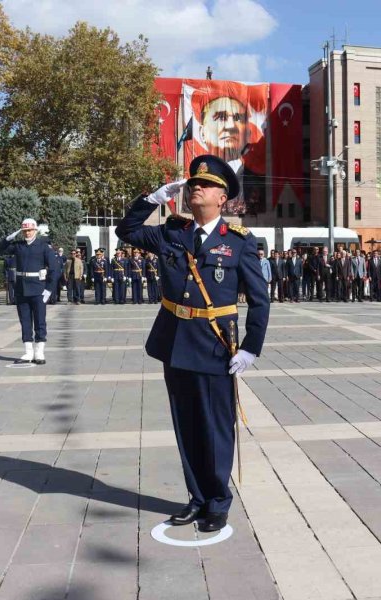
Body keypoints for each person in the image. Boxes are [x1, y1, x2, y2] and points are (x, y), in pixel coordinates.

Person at [116, 154, 269, 533]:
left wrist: (251, 347)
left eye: (206, 184)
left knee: (215, 427)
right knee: (186, 427)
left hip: (215, 345)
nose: (195, 187)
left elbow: (260, 299)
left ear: (223, 198)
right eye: (193, 182)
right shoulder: (172, 232)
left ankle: (218, 501)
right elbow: (126, 230)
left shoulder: (238, 243)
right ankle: (197, 498)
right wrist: (151, 199)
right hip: (175, 343)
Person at [0, 219, 59, 364]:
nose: (27, 233)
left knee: (40, 321)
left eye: (29, 230)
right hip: (21, 289)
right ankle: (28, 352)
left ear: (35, 230)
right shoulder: (18, 246)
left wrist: (49, 290)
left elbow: (54, 270)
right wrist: (9, 238)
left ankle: (39, 352)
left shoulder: (44, 247)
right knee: (25, 321)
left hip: (38, 289)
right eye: (24, 231)